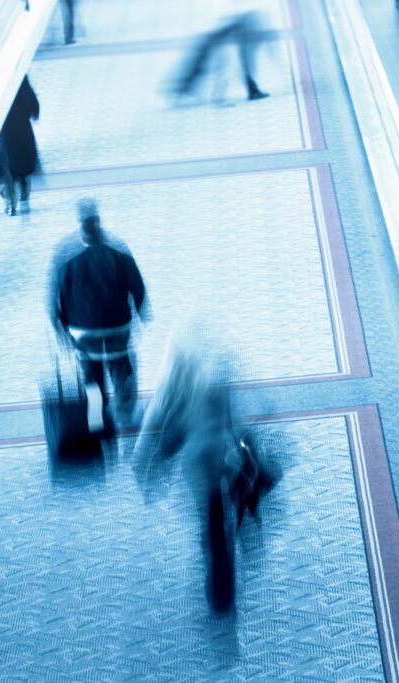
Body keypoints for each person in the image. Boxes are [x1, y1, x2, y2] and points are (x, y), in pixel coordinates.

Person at [133, 339, 280, 613]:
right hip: (225, 460)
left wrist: (148, 469)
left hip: (200, 468)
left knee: (210, 523)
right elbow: (241, 417)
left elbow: (159, 429)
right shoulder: (215, 384)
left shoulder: (176, 390)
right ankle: (232, 554)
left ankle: (220, 591)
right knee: (224, 516)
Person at [50, 199, 149, 433]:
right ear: (99, 220)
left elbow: (54, 294)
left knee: (91, 373)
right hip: (117, 324)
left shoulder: (65, 251)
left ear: (79, 222)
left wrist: (58, 326)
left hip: (81, 328)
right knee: (122, 366)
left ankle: (96, 419)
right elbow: (137, 284)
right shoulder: (117, 246)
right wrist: (143, 312)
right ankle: (125, 414)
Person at [172, 10, 269, 102]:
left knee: (205, 67)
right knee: (217, 67)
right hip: (216, 43)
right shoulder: (244, 27)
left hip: (214, 42)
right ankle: (187, 88)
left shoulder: (241, 26)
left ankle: (185, 87)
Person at [0, 77, 40, 216]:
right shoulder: (16, 75)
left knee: (7, 164)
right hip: (20, 125)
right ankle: (22, 192)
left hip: (2, 128)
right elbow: (27, 93)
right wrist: (35, 110)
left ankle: (11, 199)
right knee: (21, 162)